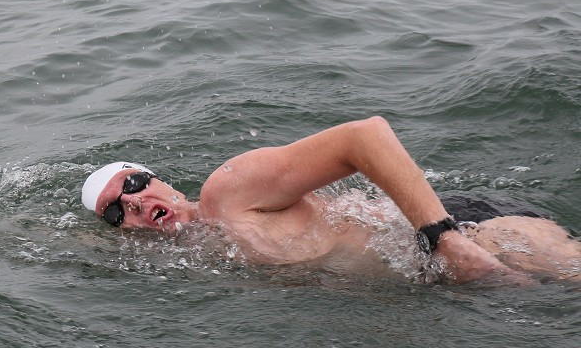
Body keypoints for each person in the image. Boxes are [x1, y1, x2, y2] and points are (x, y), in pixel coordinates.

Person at [81, 117, 580, 284]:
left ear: (163, 183)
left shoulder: (226, 193)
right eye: (115, 213)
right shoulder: (197, 259)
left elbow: (364, 137)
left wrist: (446, 241)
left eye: (133, 184)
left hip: (469, 229)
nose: (136, 203)